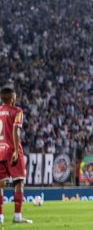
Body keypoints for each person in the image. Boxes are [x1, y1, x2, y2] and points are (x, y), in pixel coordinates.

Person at [0, 87, 31, 224]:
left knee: (0, 184)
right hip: (12, 149)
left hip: (0, 150)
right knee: (19, 181)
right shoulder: (17, 111)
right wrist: (15, 151)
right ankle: (17, 216)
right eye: (15, 95)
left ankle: (0, 216)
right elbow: (15, 129)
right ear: (12, 97)